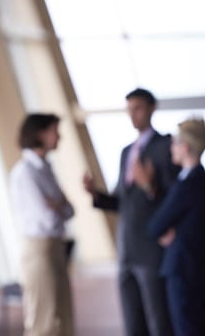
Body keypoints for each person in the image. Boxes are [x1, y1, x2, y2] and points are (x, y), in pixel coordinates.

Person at [83, 88, 178, 336]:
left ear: (151, 108)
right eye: (129, 110)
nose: (132, 115)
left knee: (158, 320)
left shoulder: (167, 146)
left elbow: (175, 198)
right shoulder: (127, 151)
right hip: (126, 247)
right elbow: (122, 201)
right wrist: (96, 194)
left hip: (151, 247)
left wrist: (150, 187)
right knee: (132, 321)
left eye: (138, 108)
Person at [148, 118, 205, 336]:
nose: (171, 148)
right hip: (204, 270)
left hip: (183, 273)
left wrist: (173, 233)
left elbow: (154, 227)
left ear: (185, 147)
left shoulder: (185, 185)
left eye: (175, 143)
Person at [9, 113, 75, 336]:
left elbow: (69, 210)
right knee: (43, 321)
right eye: (55, 131)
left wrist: (56, 205)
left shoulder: (45, 168)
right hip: (38, 250)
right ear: (40, 134)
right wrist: (59, 205)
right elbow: (49, 218)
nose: (60, 137)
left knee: (64, 316)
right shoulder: (25, 172)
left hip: (56, 246)